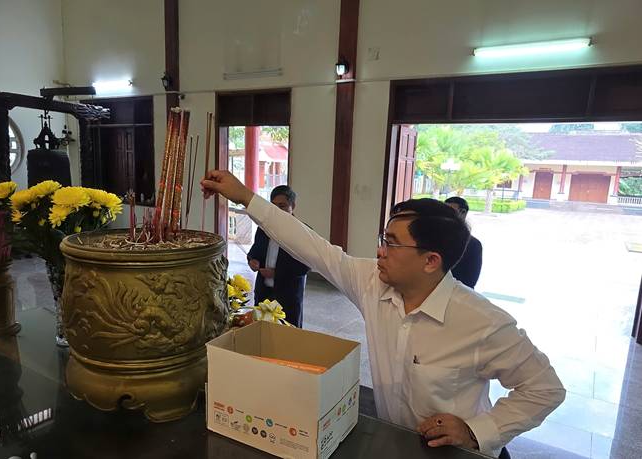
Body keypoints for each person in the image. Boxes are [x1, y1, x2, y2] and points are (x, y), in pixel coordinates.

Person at [201, 171, 565, 458]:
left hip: (458, 453)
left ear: (431, 261)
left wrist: (476, 431)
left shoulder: (482, 321)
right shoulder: (372, 283)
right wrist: (245, 196)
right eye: (383, 238)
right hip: (398, 444)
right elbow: (313, 248)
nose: (379, 251)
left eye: (391, 243)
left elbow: (545, 388)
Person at [247, 185, 310, 328]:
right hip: (264, 292)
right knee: (262, 331)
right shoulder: (264, 228)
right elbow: (255, 251)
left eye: (282, 206)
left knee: (288, 333)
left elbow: (305, 266)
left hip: (288, 295)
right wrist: (252, 260)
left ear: (292, 206)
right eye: (273, 206)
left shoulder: (302, 232)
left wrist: (276, 273)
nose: (277, 210)